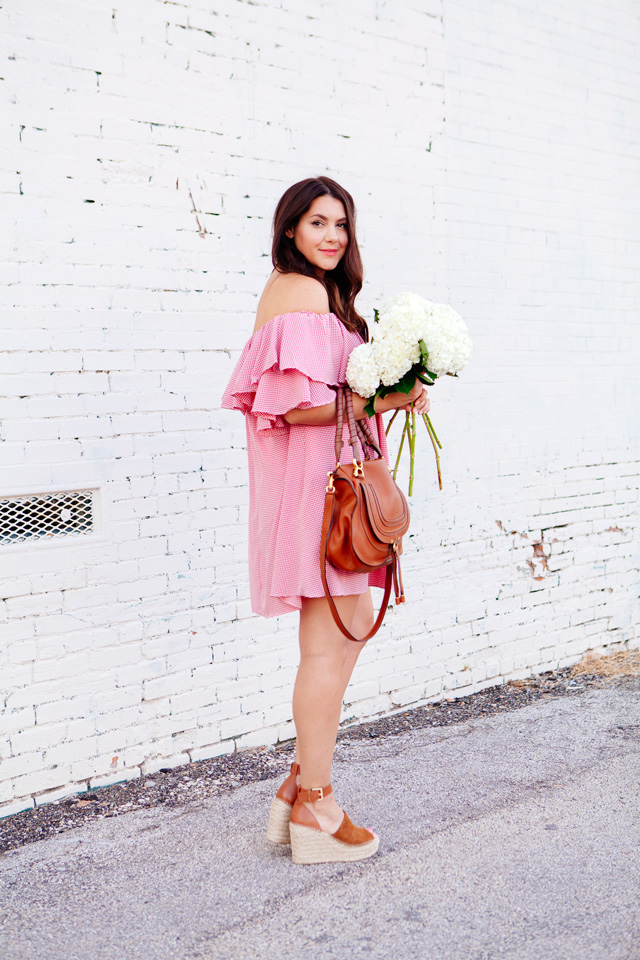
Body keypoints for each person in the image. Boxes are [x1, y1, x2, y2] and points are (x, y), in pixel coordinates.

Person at [221, 176, 430, 864]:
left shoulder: (316, 296)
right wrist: (389, 401)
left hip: (330, 487)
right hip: (321, 494)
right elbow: (295, 408)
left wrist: (387, 390)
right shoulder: (302, 293)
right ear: (290, 231)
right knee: (327, 647)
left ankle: (298, 784)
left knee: (342, 642)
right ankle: (317, 804)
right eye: (318, 222)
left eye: (342, 223)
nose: (334, 235)